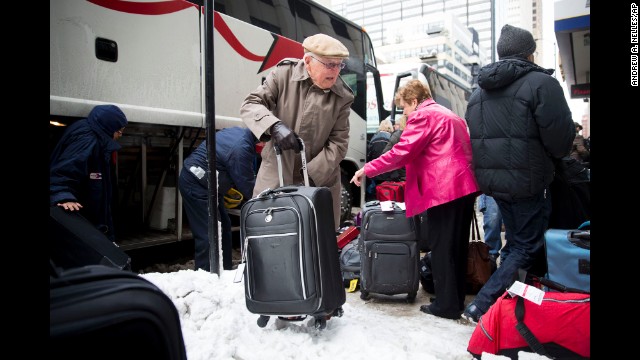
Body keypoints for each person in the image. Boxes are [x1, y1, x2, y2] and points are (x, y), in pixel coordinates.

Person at [463, 24, 575, 323]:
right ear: (529, 52)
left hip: (495, 185)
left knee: (515, 243)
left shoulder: (478, 94)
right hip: (529, 183)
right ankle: (482, 306)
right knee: (527, 246)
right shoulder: (541, 84)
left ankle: (514, 305)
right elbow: (560, 140)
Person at [351, 79, 480, 320]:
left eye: (404, 108)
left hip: (443, 189)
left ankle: (446, 305)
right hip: (463, 186)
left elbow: (401, 153)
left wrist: (368, 169)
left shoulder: (423, 116)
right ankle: (453, 297)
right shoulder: (448, 114)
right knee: (457, 246)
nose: (405, 114)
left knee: (442, 247)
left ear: (413, 101)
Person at [240, 33, 354, 230]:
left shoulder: (343, 96)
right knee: (269, 236)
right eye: (329, 64)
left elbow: (339, 143)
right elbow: (251, 104)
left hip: (320, 180)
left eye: (339, 65)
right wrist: (274, 126)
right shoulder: (284, 74)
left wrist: (308, 174)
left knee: (317, 244)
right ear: (308, 61)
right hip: (276, 173)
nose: (335, 71)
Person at [178, 127, 258, 271]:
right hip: (197, 183)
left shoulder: (241, 134)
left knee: (224, 226)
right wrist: (263, 201)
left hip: (209, 185)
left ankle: (224, 269)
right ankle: (206, 276)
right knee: (208, 234)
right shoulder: (241, 147)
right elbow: (246, 183)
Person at [50, 104, 128, 242]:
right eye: (119, 131)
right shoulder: (87, 139)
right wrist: (63, 196)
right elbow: (65, 168)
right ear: (109, 127)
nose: (120, 135)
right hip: (81, 216)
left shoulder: (92, 134)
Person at [477, 194, 508, 271]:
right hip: (491, 188)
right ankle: (491, 259)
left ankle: (507, 259)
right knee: (492, 221)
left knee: (513, 225)